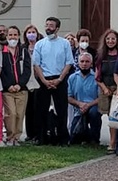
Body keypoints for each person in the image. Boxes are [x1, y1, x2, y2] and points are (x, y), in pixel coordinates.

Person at [32, 16, 73, 145]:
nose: (48, 28)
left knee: (61, 110)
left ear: (57, 28)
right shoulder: (40, 44)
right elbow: (36, 64)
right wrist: (44, 80)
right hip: (44, 80)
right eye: (47, 25)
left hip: (59, 79)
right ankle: (42, 137)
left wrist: (60, 79)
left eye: (51, 25)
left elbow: (69, 63)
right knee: (41, 110)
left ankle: (62, 138)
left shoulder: (64, 43)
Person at [1, 25, 31, 147]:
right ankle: (9, 136)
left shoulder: (23, 51)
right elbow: (1, 71)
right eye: (10, 35)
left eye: (15, 35)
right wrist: (8, 85)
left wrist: (20, 84)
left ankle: (16, 138)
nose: (13, 37)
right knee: (11, 113)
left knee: (19, 114)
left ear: (18, 36)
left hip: (21, 89)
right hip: (7, 90)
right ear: (7, 36)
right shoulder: (2, 51)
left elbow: (27, 70)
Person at [96, 29, 118, 154]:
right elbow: (97, 76)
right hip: (105, 88)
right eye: (108, 39)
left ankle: (114, 143)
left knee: (116, 116)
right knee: (109, 116)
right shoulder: (101, 56)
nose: (110, 41)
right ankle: (114, 140)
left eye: (113, 38)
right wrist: (104, 88)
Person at [68, 52, 102, 145]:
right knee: (73, 139)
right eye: (82, 61)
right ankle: (85, 136)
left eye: (87, 61)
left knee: (94, 113)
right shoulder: (72, 78)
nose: (84, 64)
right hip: (78, 108)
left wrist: (88, 105)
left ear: (91, 63)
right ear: (78, 63)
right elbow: (68, 97)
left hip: (93, 106)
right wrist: (79, 104)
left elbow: (101, 98)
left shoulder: (97, 78)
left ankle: (95, 139)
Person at [23, 24, 44, 144]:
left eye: (33, 32)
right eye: (29, 32)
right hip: (27, 81)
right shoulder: (23, 48)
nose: (31, 34)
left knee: (38, 107)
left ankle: (38, 133)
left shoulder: (41, 46)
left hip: (39, 80)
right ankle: (30, 133)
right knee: (28, 108)